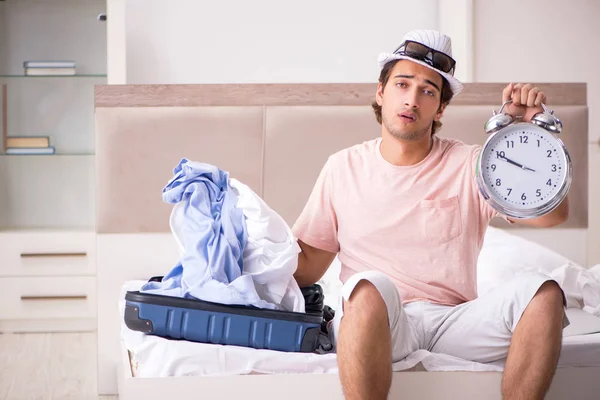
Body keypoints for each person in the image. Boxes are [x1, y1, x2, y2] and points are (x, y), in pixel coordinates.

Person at [291, 29, 570, 400]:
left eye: (427, 91)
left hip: (456, 323)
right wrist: (243, 249)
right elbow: (307, 266)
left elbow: (553, 215)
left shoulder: (473, 164)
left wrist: (531, 132)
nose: (412, 100)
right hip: (379, 321)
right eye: (402, 84)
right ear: (381, 92)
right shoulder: (343, 167)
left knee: (545, 291)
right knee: (367, 285)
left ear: (440, 108)